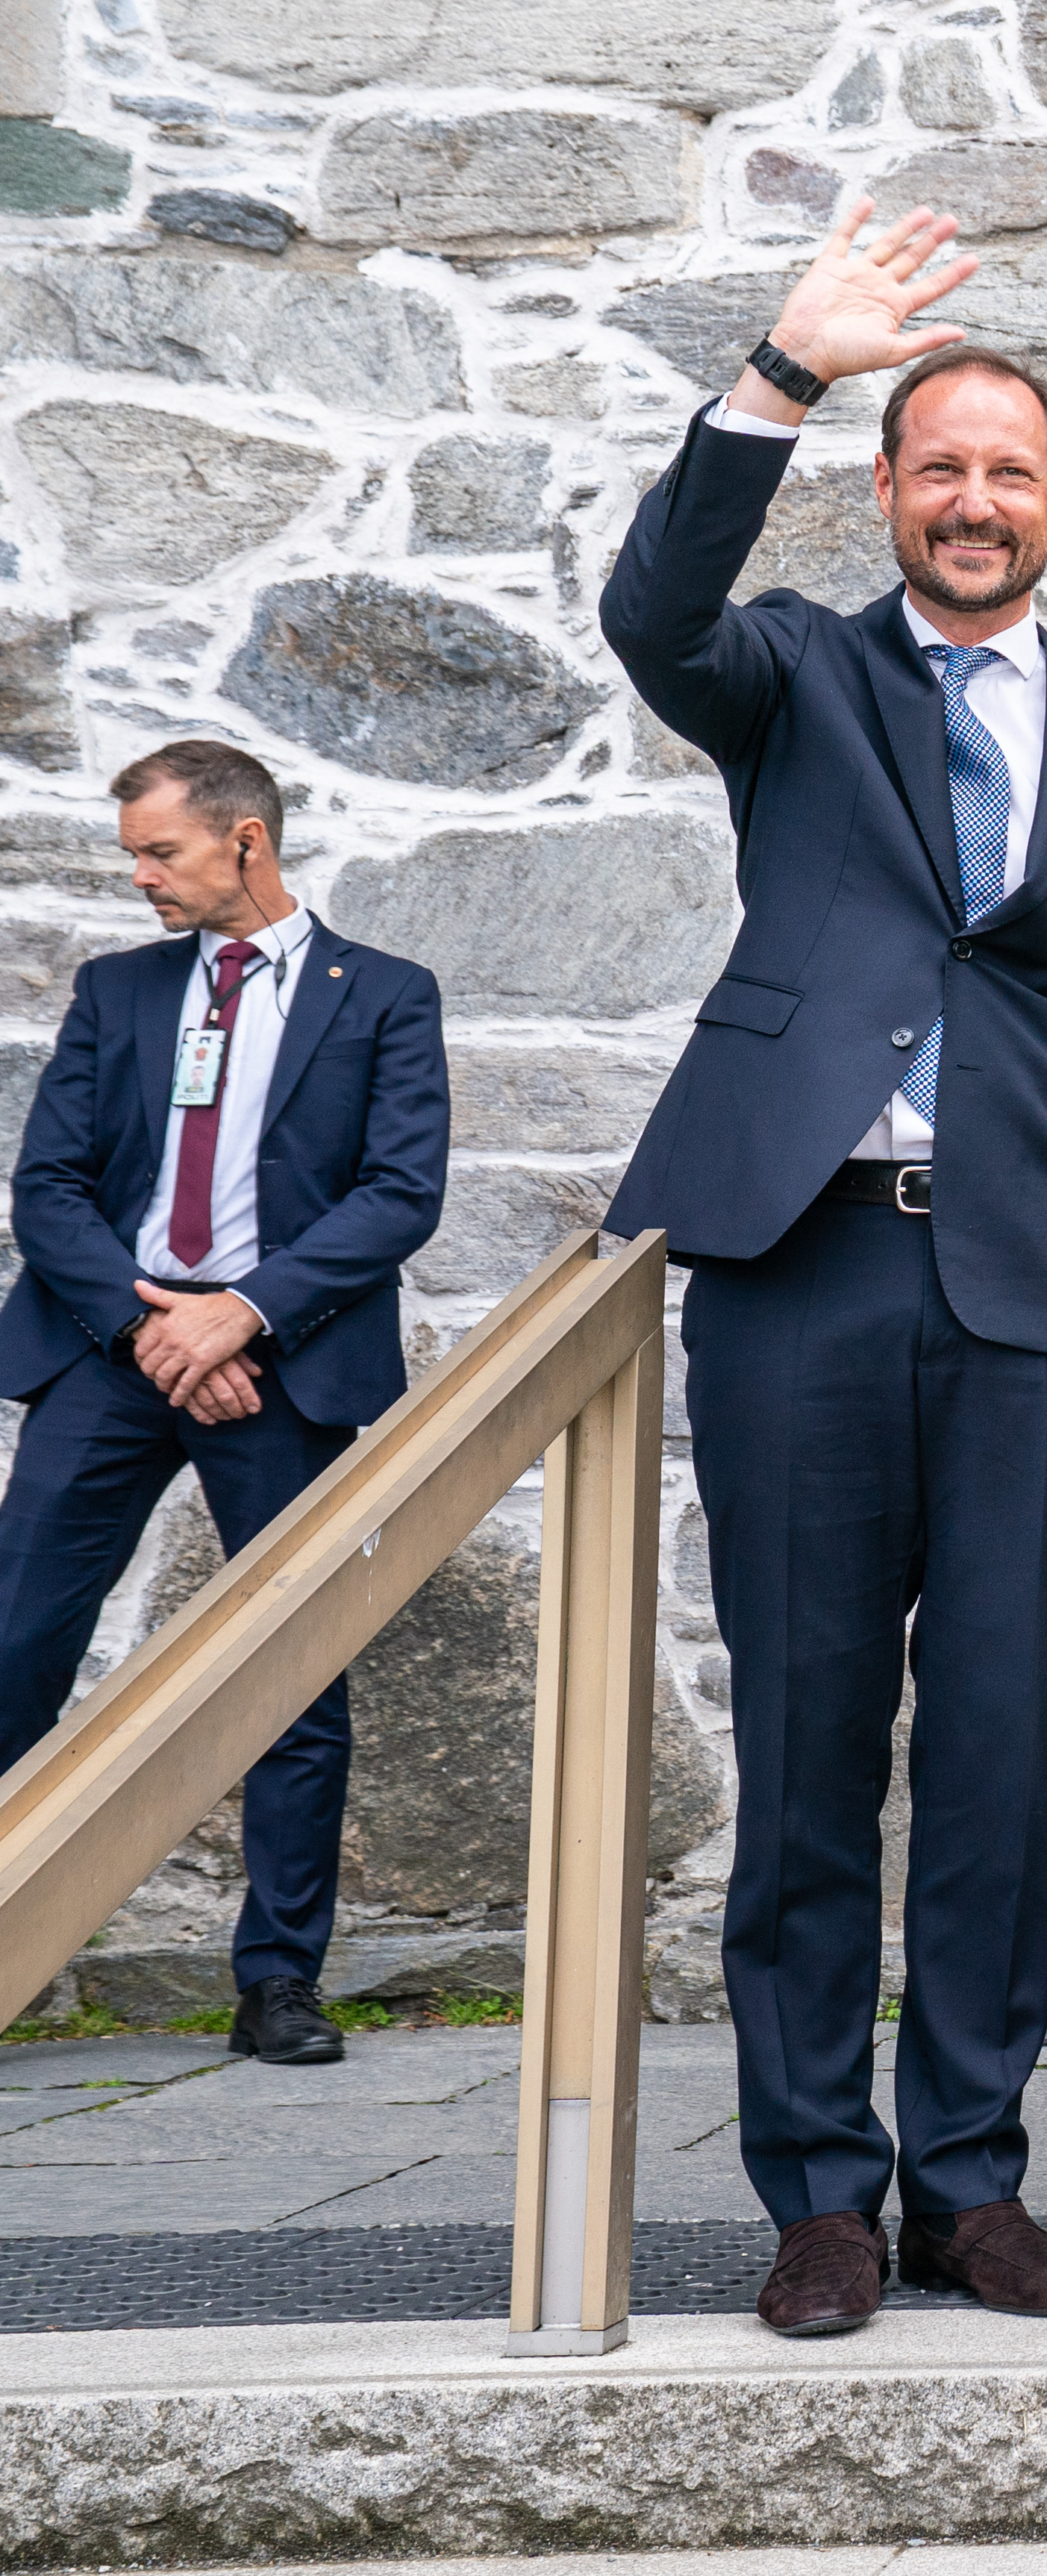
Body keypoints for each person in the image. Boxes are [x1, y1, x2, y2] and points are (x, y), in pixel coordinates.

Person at [601, 201, 1047, 2340]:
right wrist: (781, 371)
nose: (976, 500)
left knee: (998, 1755)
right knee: (804, 1749)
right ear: (890, 490)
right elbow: (651, 604)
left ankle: (970, 2181)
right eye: (940, 465)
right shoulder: (791, 674)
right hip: (801, 1276)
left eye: (1013, 472)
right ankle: (819, 2196)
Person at [0, 742, 446, 2068]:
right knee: (19, 1634)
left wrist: (242, 1314)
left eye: (162, 852)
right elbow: (51, 1188)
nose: (140, 875)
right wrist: (159, 1326)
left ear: (246, 841)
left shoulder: (386, 996)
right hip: (110, 1354)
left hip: (281, 1364)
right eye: (135, 852)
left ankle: (280, 1982)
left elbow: (398, 1193)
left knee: (291, 1675)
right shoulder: (118, 991)